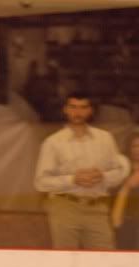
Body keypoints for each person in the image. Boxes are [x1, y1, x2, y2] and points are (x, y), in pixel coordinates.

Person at [34, 92, 130, 249]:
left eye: (83, 107)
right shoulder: (53, 142)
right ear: (65, 109)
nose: (77, 112)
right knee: (65, 260)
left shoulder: (105, 139)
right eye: (73, 107)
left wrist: (103, 176)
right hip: (65, 207)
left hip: (97, 207)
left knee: (104, 260)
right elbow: (40, 182)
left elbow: (120, 171)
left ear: (90, 110)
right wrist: (73, 179)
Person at [112, 132, 139, 249]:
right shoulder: (121, 169)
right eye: (135, 146)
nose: (138, 150)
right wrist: (127, 185)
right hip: (125, 221)